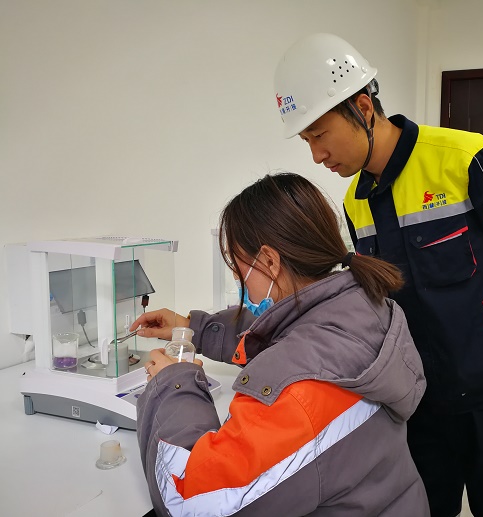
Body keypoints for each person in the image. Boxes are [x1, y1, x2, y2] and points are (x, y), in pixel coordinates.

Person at [273, 33, 483, 517]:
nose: (316, 155)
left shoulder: (464, 158)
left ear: (362, 108)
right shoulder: (356, 201)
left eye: (319, 135)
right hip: (420, 401)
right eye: (307, 141)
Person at [132, 172, 430, 516]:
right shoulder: (363, 308)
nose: (236, 277)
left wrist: (174, 384)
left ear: (270, 261)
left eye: (237, 265)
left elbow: (190, 499)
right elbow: (284, 331)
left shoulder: (298, 392)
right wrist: (191, 328)